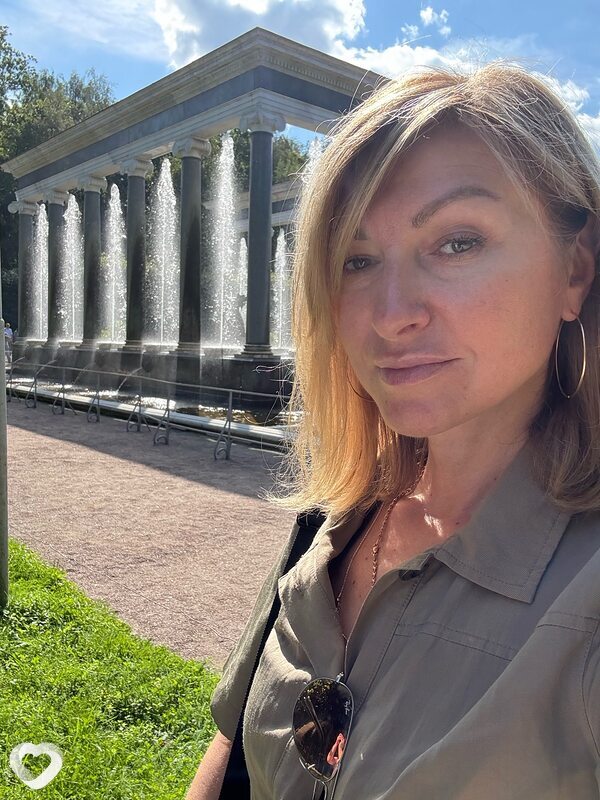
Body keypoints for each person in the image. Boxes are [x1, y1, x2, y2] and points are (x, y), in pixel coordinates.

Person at [186, 59, 600, 799]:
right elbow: (232, 745)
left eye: (457, 241)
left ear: (575, 270)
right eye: (357, 259)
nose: (389, 313)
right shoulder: (332, 522)